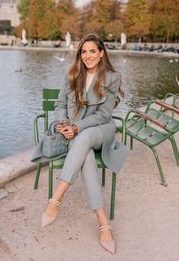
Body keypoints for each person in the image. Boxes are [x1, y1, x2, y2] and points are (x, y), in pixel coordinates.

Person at [41, 34, 128, 254]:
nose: (87, 56)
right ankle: (103, 223)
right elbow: (60, 104)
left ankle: (57, 197)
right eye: (84, 51)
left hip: (100, 131)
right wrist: (62, 123)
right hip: (74, 134)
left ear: (101, 53)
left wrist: (77, 127)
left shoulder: (111, 77)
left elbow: (103, 115)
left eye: (92, 51)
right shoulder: (72, 74)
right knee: (85, 155)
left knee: (85, 138)